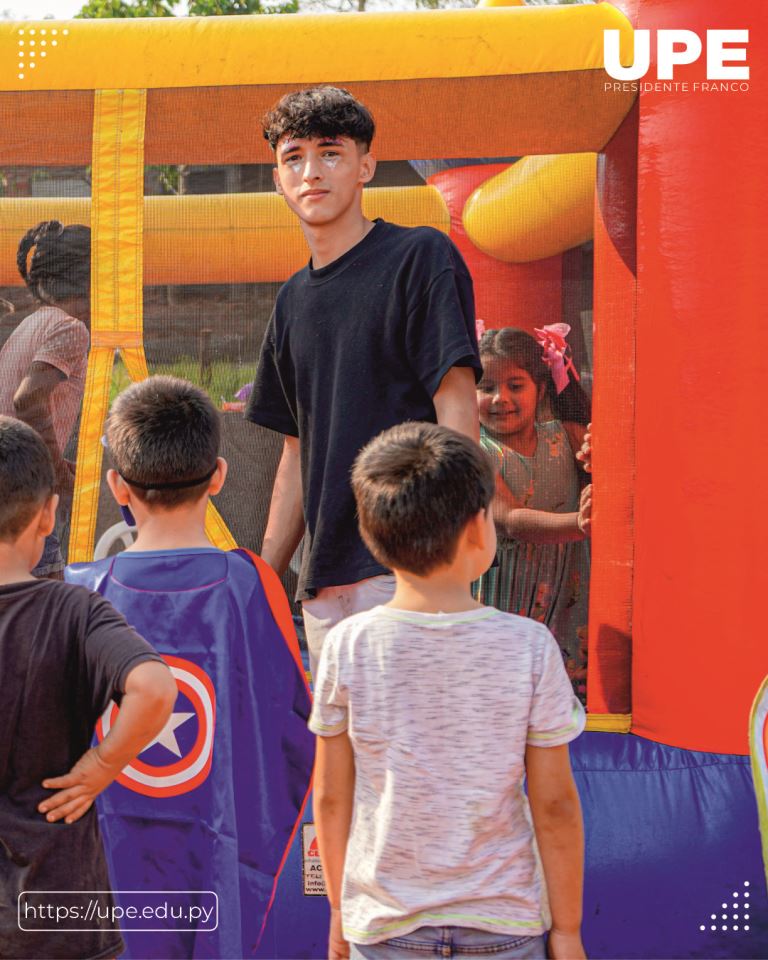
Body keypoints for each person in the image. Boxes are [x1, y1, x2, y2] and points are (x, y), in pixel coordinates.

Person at [310, 422, 586, 960]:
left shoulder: (348, 646)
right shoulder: (529, 647)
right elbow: (554, 805)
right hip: (504, 922)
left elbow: (331, 795)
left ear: (373, 534)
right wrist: (568, 929)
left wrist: (342, 913)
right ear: (479, 530)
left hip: (385, 925)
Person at [65, 376, 315, 959]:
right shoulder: (251, 583)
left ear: (116, 487)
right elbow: (294, 726)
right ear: (220, 476)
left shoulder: (80, 593)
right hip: (219, 861)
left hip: (109, 873)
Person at [246, 85, 481, 677]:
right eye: (293, 157)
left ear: (365, 166)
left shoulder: (419, 256)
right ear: (277, 179)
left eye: (331, 152)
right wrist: (267, 579)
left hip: (410, 566)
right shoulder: (291, 301)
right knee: (344, 764)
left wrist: (452, 554)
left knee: (421, 764)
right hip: (323, 584)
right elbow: (295, 454)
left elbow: (456, 407)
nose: (310, 172)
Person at [0, 415, 176, 960]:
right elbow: (153, 688)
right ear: (50, 513)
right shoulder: (75, 611)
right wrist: (104, 764)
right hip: (63, 915)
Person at [475, 325, 592, 698]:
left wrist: (601, 461)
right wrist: (580, 522)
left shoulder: (566, 436)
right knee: (504, 692)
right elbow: (509, 519)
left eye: (515, 385)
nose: (500, 398)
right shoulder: (474, 450)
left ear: (541, 389)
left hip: (566, 598)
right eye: (486, 387)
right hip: (500, 600)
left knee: (561, 691)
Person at [0, 220, 91, 578]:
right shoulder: (71, 328)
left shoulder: (34, 322)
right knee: (46, 596)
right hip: (24, 483)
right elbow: (30, 400)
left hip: (12, 474)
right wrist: (54, 468)